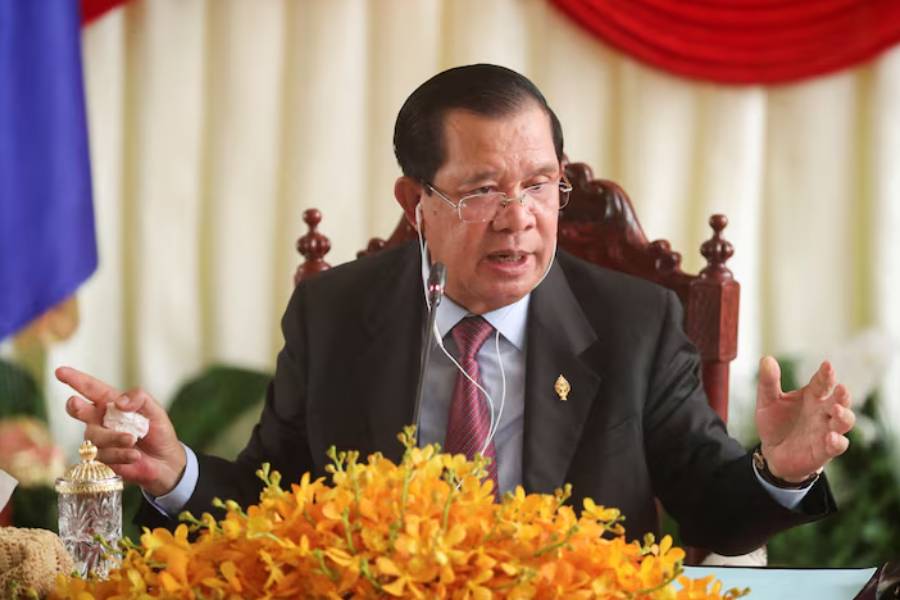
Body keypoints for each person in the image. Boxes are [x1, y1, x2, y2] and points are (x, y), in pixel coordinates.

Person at [57, 64, 855, 555]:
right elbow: (277, 500)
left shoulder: (634, 324)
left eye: (541, 184)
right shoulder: (335, 315)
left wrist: (779, 470)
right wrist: (175, 472)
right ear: (417, 203)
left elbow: (711, 509)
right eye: (482, 191)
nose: (521, 218)